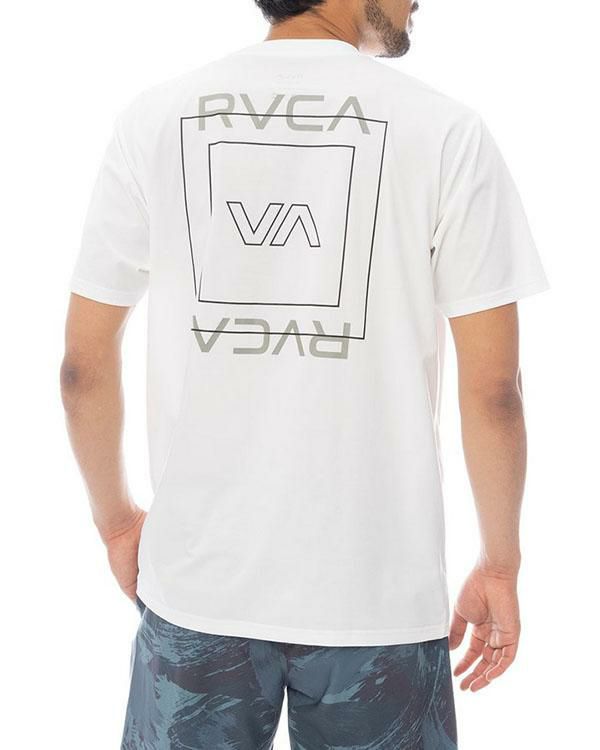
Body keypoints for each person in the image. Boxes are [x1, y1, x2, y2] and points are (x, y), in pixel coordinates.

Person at [60, 1, 549, 747]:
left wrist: (118, 523)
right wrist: (501, 564)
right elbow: (495, 392)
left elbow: (82, 367)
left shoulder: (154, 119)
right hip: (377, 597)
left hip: (200, 587)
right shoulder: (445, 131)